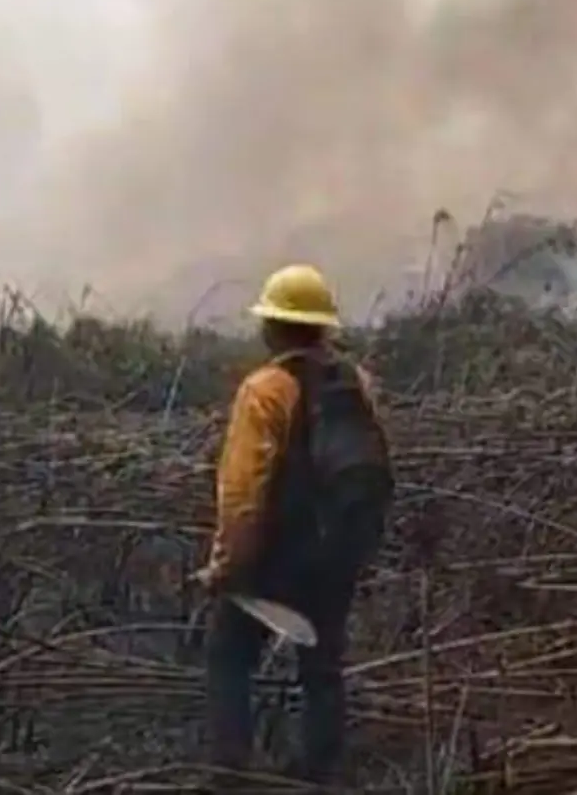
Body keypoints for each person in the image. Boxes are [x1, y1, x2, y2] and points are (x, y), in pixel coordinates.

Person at [196, 263, 395, 785]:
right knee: (322, 665)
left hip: (275, 559)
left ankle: (231, 774)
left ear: (273, 327)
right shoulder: (357, 383)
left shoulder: (265, 389)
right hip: (337, 556)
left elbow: (243, 493)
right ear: (323, 327)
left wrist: (226, 567)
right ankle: (321, 774)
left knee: (229, 656)